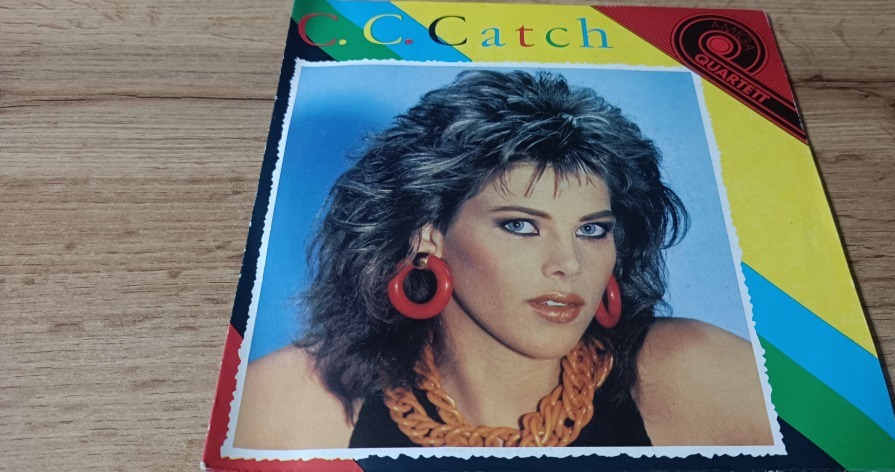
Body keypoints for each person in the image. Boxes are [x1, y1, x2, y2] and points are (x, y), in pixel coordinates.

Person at [234, 70, 772, 449]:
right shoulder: (304, 397)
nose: (568, 264)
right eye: (520, 225)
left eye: (591, 230)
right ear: (428, 236)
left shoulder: (693, 371)